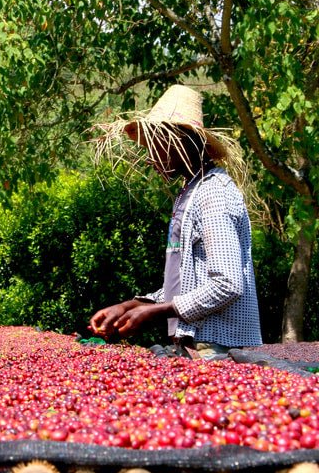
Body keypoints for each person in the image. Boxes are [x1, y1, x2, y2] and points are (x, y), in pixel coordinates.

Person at [89, 85, 262, 359]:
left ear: (180, 141)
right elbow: (185, 283)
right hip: (196, 344)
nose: (150, 157)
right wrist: (130, 306)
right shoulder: (190, 192)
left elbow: (227, 284)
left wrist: (153, 313)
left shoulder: (213, 192)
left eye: (156, 146)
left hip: (215, 346)